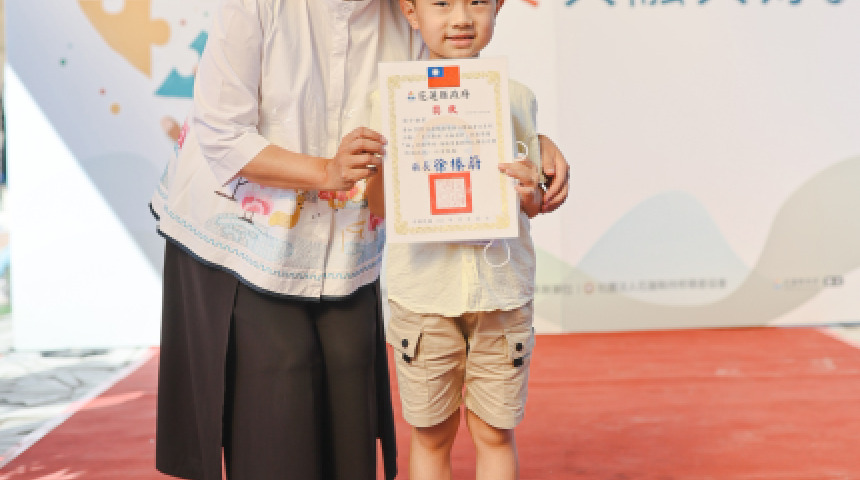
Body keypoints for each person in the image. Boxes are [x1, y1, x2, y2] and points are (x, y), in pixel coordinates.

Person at [149, 1, 569, 479]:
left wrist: (531, 142)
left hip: (346, 244)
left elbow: (454, 103)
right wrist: (325, 172)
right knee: (279, 404)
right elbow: (222, 134)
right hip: (242, 236)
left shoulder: (410, 8)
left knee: (349, 410)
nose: (459, 14)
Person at [370, 1, 545, 479]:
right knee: (430, 434)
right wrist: (380, 168)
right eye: (442, 3)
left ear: (498, 7)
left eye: (477, 2)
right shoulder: (390, 99)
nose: (462, 18)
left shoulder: (517, 97)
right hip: (423, 292)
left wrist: (531, 190)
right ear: (411, 12)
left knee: (495, 432)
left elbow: (532, 203)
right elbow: (380, 205)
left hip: (502, 291)